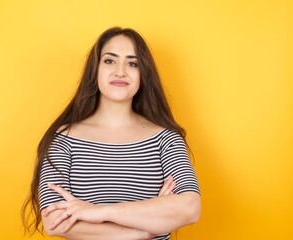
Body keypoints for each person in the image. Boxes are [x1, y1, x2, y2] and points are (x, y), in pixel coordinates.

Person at [22, 27, 201, 240]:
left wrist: (100, 212)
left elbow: (190, 207)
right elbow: (55, 222)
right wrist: (146, 229)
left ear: (143, 74)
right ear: (95, 69)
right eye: (109, 61)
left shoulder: (166, 139)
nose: (120, 71)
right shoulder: (63, 139)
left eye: (132, 63)